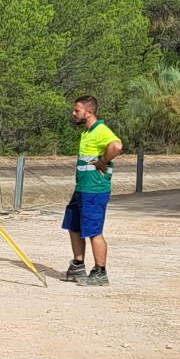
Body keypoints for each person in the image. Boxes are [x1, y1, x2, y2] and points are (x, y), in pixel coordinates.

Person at [63, 94, 123, 286]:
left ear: (89, 112)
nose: (74, 113)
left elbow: (116, 145)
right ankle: (78, 264)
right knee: (74, 226)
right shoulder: (87, 132)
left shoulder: (101, 130)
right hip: (82, 188)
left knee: (94, 231)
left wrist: (103, 161)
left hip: (95, 190)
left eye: (77, 110)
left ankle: (100, 271)